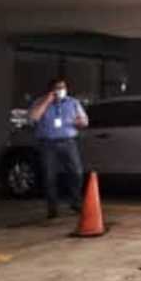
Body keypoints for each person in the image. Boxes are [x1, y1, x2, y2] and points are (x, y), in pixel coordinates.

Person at [28, 77, 89, 218]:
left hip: (68, 142)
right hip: (48, 144)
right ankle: (52, 207)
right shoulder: (40, 102)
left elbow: (85, 121)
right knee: (49, 175)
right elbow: (33, 117)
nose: (61, 90)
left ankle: (75, 201)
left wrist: (80, 122)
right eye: (58, 88)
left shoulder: (73, 103)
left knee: (76, 172)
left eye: (63, 87)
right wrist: (47, 101)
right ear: (51, 90)